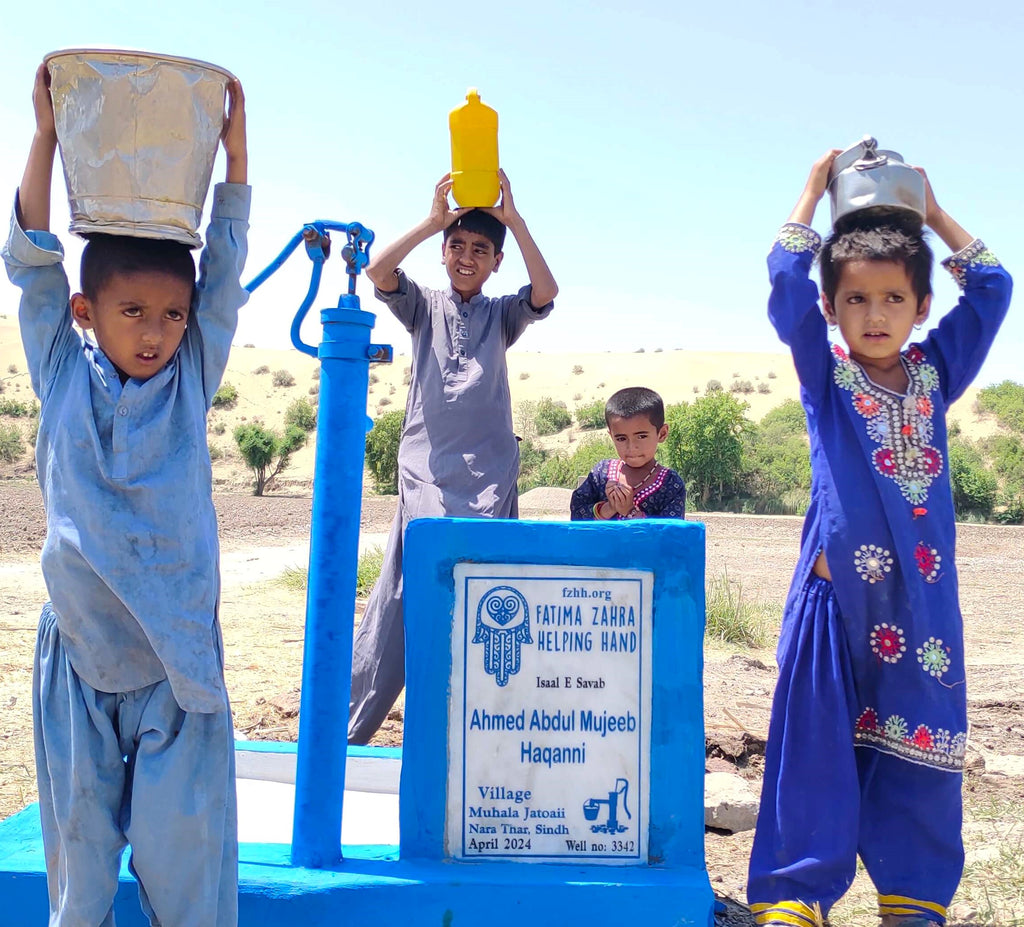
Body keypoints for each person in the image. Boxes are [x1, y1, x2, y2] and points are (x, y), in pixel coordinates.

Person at [4, 63, 250, 926]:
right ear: (87, 310)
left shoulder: (189, 383)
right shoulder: (62, 373)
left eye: (171, 316)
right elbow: (31, 260)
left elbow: (221, 274)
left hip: (175, 666)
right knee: (80, 871)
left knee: (186, 870)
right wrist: (43, 137)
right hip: (78, 656)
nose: (156, 332)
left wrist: (234, 155)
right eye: (134, 311)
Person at [747, 151, 1012, 927]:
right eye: (856, 298)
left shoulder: (935, 374)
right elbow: (783, 282)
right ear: (831, 308)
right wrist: (807, 192)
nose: (875, 313)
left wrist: (929, 212)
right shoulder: (824, 377)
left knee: (922, 747)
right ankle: (797, 894)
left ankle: (913, 896)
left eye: (894, 297)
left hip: (921, 607)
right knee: (815, 747)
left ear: (922, 304)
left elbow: (994, 288)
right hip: (835, 605)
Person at [349, 170, 558, 744]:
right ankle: (351, 730)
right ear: (444, 254)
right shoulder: (423, 307)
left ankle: (479, 735)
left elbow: (546, 292)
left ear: (496, 263)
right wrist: (430, 220)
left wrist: (514, 220)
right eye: (458, 246)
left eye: (482, 250)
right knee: (409, 590)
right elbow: (378, 271)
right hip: (428, 472)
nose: (468, 257)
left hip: (489, 479)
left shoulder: (500, 315)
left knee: (483, 603)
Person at [570, 386, 686, 519]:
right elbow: (577, 513)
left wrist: (629, 510)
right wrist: (609, 508)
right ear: (611, 436)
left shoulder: (671, 484)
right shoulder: (601, 473)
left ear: (662, 434)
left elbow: (672, 534)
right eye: (621, 438)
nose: (631, 447)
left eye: (641, 436)